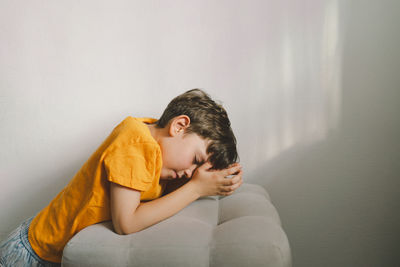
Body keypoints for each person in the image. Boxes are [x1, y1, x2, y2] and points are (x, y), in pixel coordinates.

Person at [0, 89, 243, 266]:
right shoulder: (136, 141)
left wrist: (213, 178)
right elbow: (126, 223)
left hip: (52, 255)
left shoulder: (159, 152)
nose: (190, 172)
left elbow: (160, 196)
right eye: (196, 160)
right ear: (179, 126)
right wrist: (196, 189)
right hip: (31, 253)